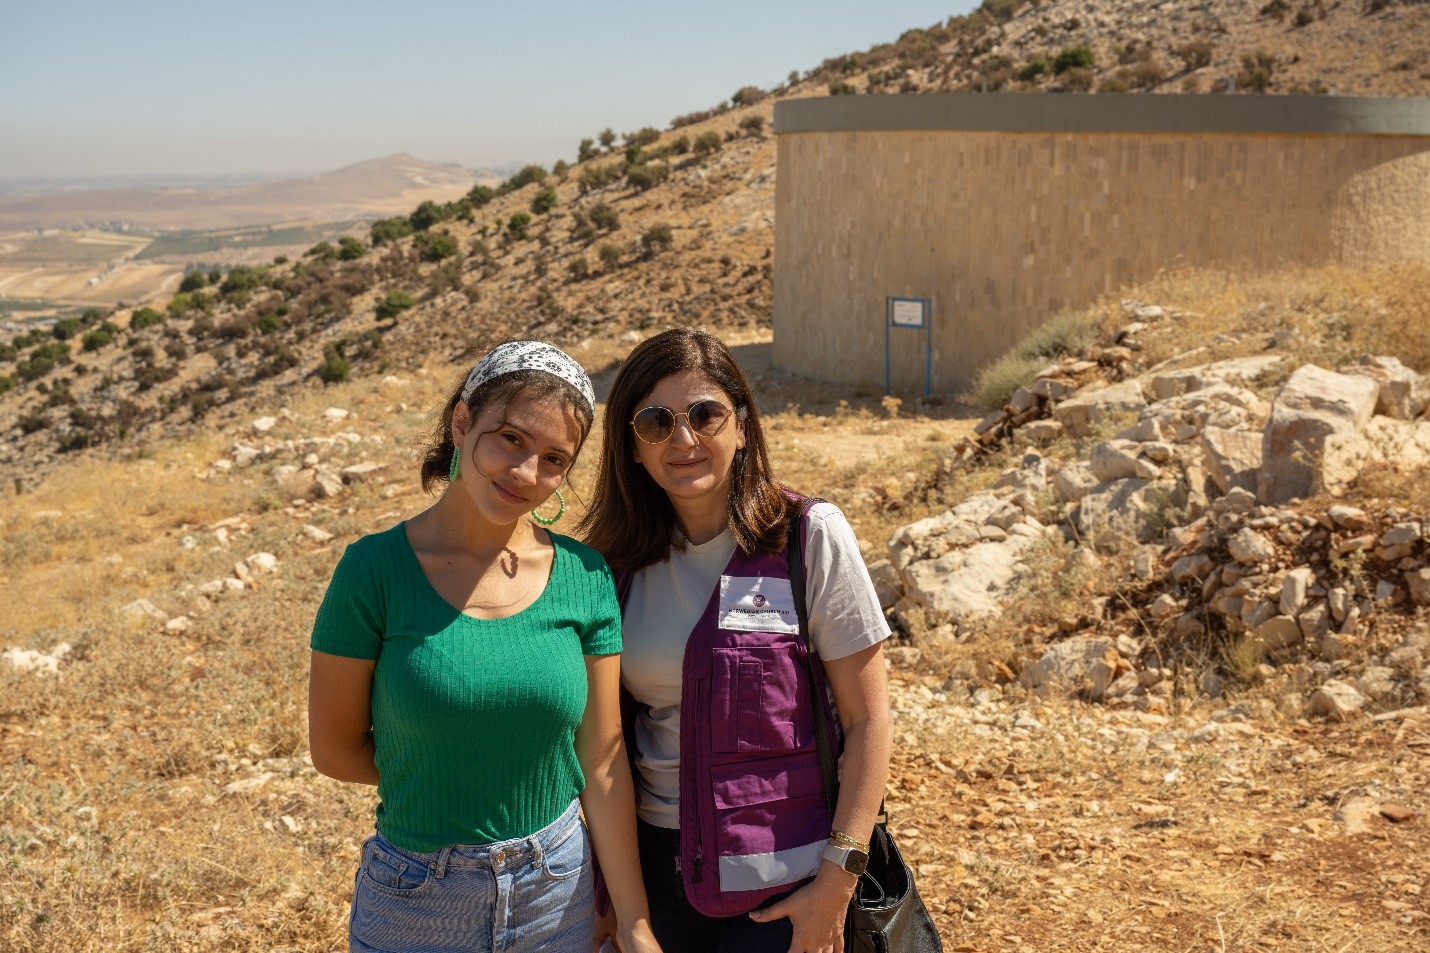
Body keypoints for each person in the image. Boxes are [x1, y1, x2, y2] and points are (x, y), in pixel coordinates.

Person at [307, 341, 661, 953]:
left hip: (557, 887)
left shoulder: (585, 576)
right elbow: (335, 750)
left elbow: (602, 763)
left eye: (555, 459)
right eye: (510, 439)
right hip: (416, 898)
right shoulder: (373, 571)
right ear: (462, 422)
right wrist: (452, 770)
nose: (527, 473)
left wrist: (632, 920)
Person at [581, 329, 893, 953]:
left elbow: (869, 719)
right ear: (632, 448)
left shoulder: (808, 537)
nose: (684, 440)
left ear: (744, 426)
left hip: (788, 889)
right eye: (655, 422)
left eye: (704, 414)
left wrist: (836, 882)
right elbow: (605, 748)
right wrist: (620, 903)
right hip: (656, 881)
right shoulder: (609, 570)